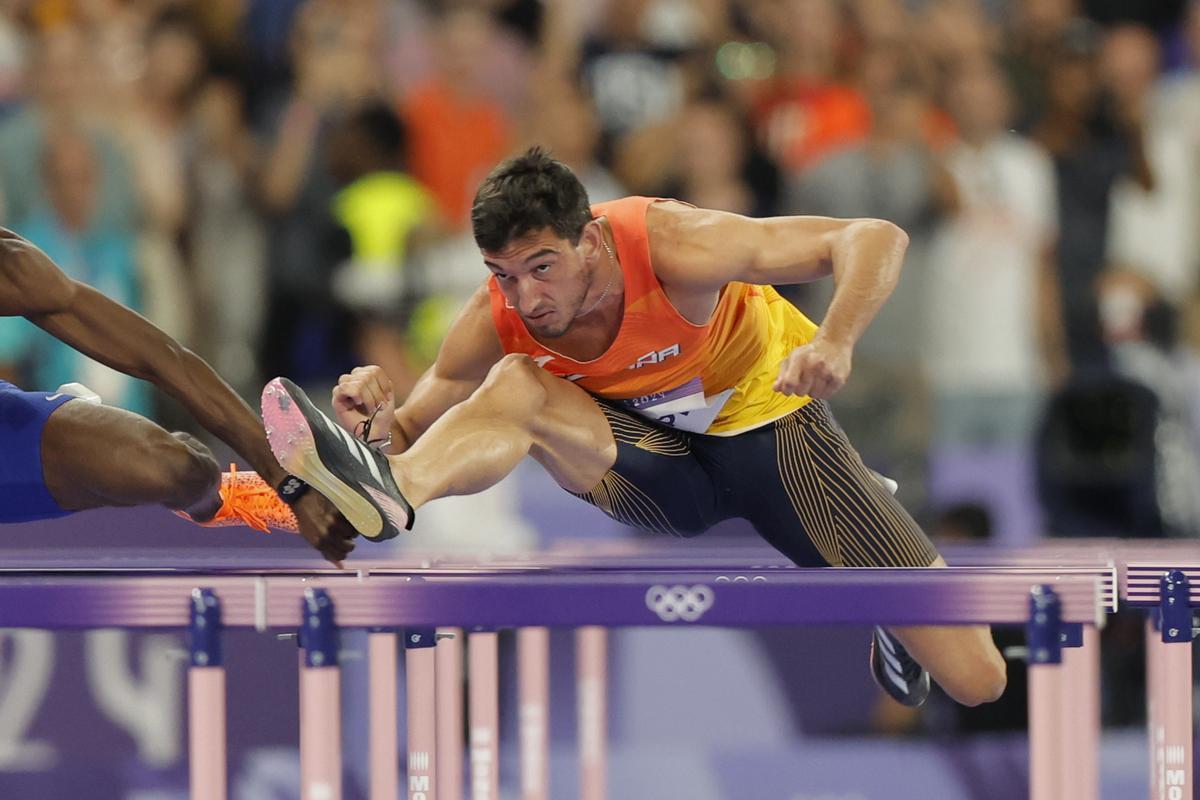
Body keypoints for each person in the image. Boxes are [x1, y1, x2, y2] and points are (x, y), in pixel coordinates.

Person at [262, 147, 1007, 707]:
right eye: (503, 273)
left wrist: (835, 341)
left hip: (775, 437)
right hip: (653, 471)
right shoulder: (498, 315)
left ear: (590, 240)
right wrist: (380, 427)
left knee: (977, 680)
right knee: (515, 383)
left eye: (542, 267)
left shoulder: (675, 241)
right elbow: (421, 424)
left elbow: (873, 237)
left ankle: (883, 612)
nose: (525, 297)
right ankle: (393, 497)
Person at [0, 227, 356, 564]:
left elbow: (161, 358)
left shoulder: (11, 267)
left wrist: (287, 481)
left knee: (167, 465)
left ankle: (219, 495)